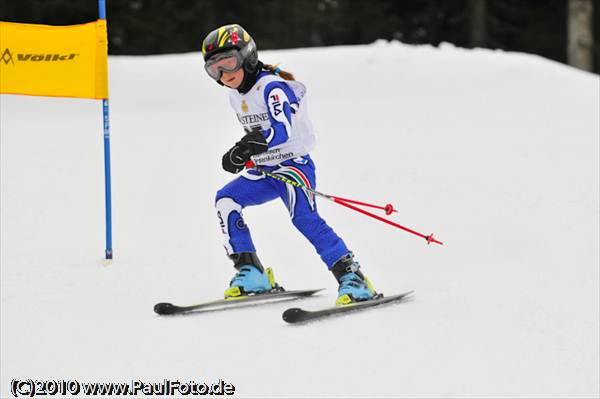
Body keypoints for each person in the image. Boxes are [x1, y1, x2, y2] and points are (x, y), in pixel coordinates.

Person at [202, 24, 376, 305]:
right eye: (214, 69)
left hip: (294, 167)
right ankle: (251, 271)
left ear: (247, 55)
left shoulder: (272, 87)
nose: (224, 74)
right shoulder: (236, 93)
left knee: (304, 218)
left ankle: (352, 276)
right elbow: (257, 133)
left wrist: (247, 146)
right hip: (265, 171)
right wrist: (242, 155)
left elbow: (282, 130)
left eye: (229, 63)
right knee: (226, 200)